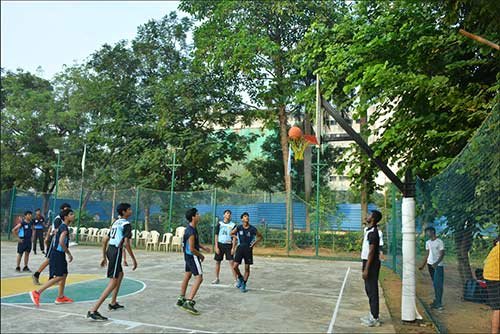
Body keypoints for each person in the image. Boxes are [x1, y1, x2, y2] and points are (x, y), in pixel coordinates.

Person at [87, 203, 138, 321]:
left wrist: (104, 256)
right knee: (113, 281)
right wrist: (134, 259)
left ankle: (113, 302)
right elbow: (126, 243)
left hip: (110, 250)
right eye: (129, 209)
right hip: (116, 252)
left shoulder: (116, 222)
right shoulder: (126, 224)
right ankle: (93, 310)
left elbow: (105, 239)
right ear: (124, 212)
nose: (131, 211)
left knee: (120, 274)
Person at [29, 208, 75, 306]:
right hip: (57, 254)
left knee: (64, 274)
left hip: (60, 254)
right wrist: (69, 253)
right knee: (58, 277)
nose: (73, 216)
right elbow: (61, 242)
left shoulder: (63, 227)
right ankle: (37, 292)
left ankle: (61, 297)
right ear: (66, 217)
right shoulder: (64, 228)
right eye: (71, 214)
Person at [177, 208, 210, 315]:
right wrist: (201, 255)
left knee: (187, 275)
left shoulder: (190, 229)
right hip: (192, 256)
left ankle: (181, 298)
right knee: (199, 278)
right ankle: (189, 301)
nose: (199, 215)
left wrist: (203, 248)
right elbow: (192, 248)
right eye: (197, 214)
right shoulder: (191, 231)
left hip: (187, 256)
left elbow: (194, 243)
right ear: (193, 217)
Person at [32, 203, 72, 285]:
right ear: (62, 210)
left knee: (51, 259)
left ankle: (51, 277)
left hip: (56, 241)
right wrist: (47, 238)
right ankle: (37, 274)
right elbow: (54, 230)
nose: (68, 211)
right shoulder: (58, 219)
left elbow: (51, 227)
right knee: (49, 259)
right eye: (66, 209)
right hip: (54, 241)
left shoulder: (62, 220)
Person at [360, 210, 383, 327]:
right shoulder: (369, 231)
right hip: (367, 262)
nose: (366, 216)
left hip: (371, 264)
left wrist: (366, 269)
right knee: (369, 290)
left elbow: (371, 252)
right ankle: (373, 313)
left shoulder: (373, 233)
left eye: (369, 215)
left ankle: (375, 318)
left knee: (372, 290)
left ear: (373, 218)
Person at [230, 212, 262, 293]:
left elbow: (260, 236)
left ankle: (244, 284)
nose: (247, 217)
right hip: (240, 249)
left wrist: (254, 243)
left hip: (248, 249)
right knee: (234, 266)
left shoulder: (252, 229)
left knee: (247, 268)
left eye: (247, 216)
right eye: (245, 216)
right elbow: (231, 233)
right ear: (242, 219)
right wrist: (236, 238)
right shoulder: (239, 227)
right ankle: (240, 278)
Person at [419, 226, 445, 310]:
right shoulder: (428, 242)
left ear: (433, 232)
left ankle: (439, 303)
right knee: (435, 283)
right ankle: (436, 301)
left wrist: (436, 263)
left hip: (438, 265)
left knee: (438, 284)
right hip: (430, 264)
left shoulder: (439, 242)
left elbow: (442, 254)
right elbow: (427, 254)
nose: (426, 234)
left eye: (428, 232)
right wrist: (423, 265)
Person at [212, 209, 237, 285]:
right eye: (227, 213)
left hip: (229, 245)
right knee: (217, 262)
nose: (228, 215)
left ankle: (236, 280)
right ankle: (216, 278)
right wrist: (216, 246)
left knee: (232, 262)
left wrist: (233, 248)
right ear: (224, 215)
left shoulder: (233, 225)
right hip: (220, 245)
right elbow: (216, 235)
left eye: (229, 214)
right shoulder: (219, 224)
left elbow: (234, 238)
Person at [483, 237, 499, 334]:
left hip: (490, 278)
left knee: (497, 308)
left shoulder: (495, 248)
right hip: (495, 279)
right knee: (498, 308)